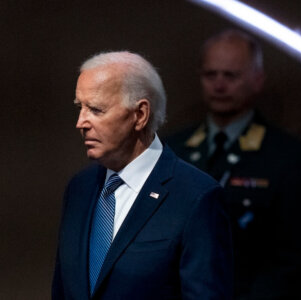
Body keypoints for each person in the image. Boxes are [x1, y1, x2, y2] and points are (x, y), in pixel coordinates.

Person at [52, 51, 233, 299]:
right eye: (80, 107)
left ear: (140, 115)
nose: (81, 122)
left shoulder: (196, 197)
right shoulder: (79, 188)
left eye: (96, 109)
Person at [166, 29, 301, 299]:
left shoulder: (288, 155)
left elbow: (295, 257)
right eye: (210, 75)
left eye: (230, 76)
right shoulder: (173, 149)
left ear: (257, 80)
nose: (218, 86)